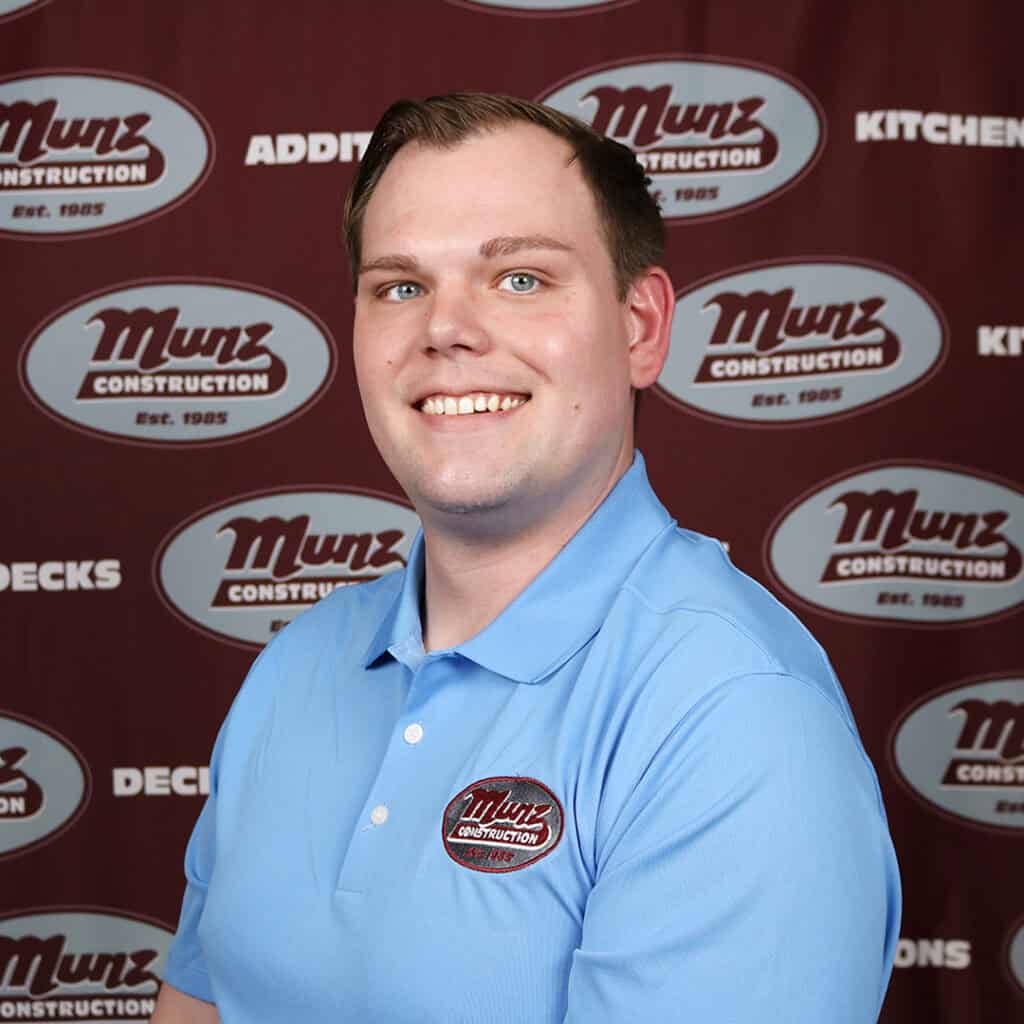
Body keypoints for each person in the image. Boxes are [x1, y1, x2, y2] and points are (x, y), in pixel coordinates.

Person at [152, 92, 901, 1023]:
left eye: (519, 280)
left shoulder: (732, 714)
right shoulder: (294, 667)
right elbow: (199, 1005)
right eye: (400, 286)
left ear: (640, 328)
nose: (446, 329)